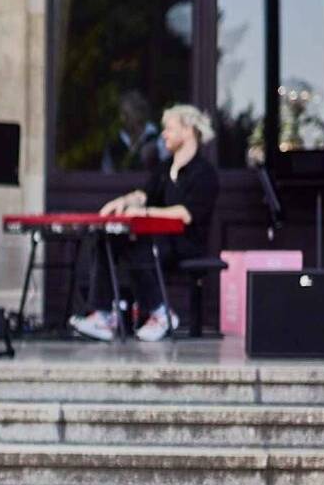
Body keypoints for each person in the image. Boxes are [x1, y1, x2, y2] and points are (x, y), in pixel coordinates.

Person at [69, 103, 219, 342]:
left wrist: (145, 213)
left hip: (186, 243)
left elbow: (186, 214)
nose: (163, 134)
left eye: (169, 128)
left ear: (189, 130)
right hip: (161, 240)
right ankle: (103, 315)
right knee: (106, 237)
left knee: (138, 244)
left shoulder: (204, 173)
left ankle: (161, 313)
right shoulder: (165, 168)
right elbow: (144, 196)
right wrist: (123, 201)